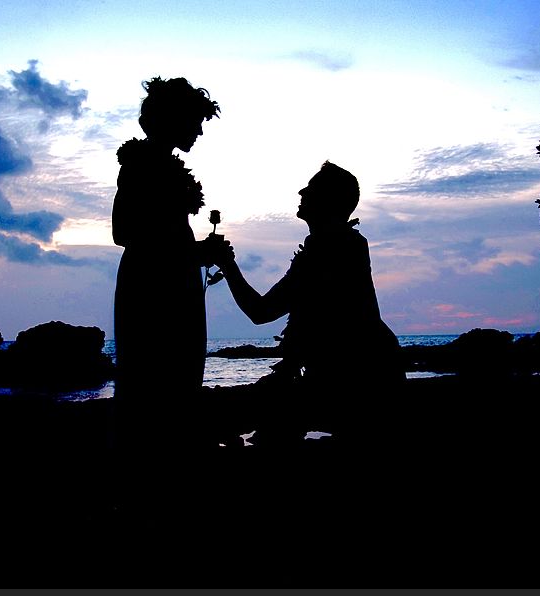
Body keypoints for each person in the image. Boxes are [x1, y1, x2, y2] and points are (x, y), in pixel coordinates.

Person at [211, 162, 403, 442]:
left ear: (328, 200)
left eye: (311, 188)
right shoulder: (338, 245)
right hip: (360, 375)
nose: (302, 192)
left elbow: (261, 312)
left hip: (355, 383)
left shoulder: (330, 250)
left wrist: (227, 264)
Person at [111, 76, 222, 445]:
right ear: (173, 119)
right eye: (195, 122)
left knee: (177, 376)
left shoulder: (156, 164)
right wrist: (194, 253)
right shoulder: (140, 166)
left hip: (172, 284)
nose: (199, 133)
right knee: (159, 378)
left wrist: (195, 253)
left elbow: (157, 234)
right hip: (152, 290)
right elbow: (124, 232)